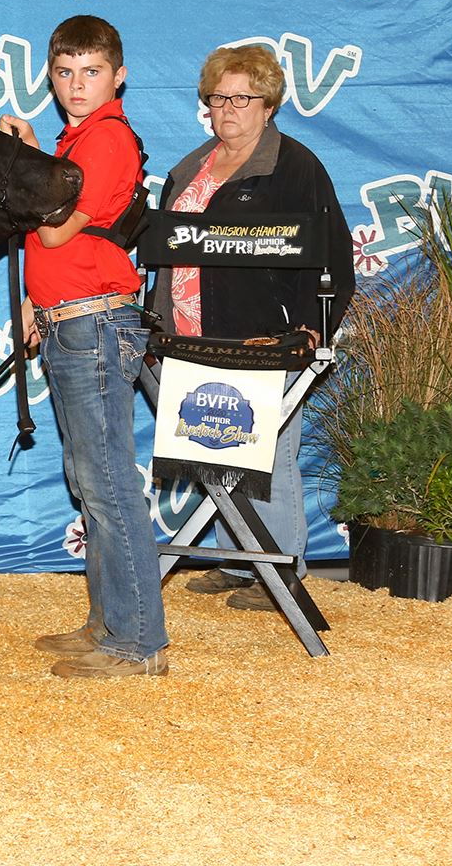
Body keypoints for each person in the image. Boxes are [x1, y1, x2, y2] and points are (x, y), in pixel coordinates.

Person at [145, 42, 354, 612]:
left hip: (264, 333)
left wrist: (314, 327)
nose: (229, 108)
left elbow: (331, 255)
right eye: (219, 97)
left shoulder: (293, 167)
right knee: (214, 441)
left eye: (243, 97)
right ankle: (238, 560)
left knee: (271, 450)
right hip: (189, 332)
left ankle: (281, 570)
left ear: (269, 106)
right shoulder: (190, 167)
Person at [0, 15, 166, 679]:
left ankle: (138, 644)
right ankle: (109, 623)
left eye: (90, 71)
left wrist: (26, 165)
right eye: (65, 72)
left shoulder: (104, 141)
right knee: (89, 479)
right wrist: (38, 304)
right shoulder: (77, 141)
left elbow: (61, 230)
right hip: (72, 319)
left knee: (108, 486)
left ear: (117, 76)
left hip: (95, 325)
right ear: (50, 74)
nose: (76, 84)